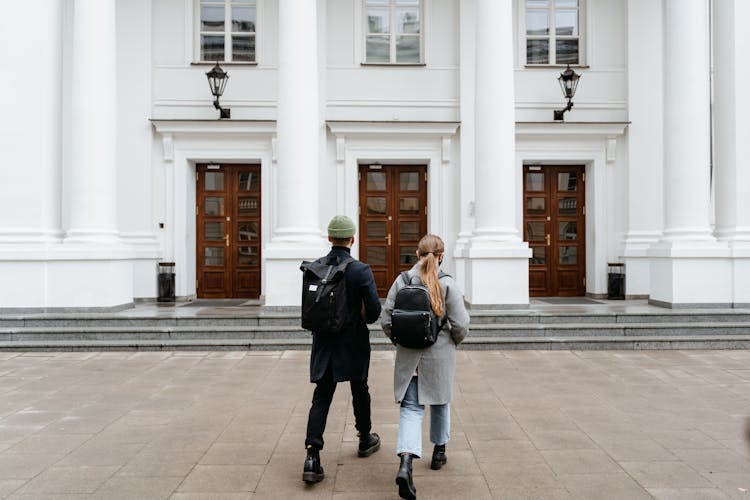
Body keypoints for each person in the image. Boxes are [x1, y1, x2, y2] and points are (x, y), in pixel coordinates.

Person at [381, 234, 470, 500]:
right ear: (441, 256)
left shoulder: (403, 280)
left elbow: (386, 319)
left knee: (411, 409)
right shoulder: (448, 284)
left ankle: (406, 462)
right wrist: (452, 342)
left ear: (417, 254)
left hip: (410, 356)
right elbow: (461, 325)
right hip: (439, 355)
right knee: (441, 401)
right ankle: (439, 450)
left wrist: (400, 340)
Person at [302, 215, 383, 484]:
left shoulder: (315, 267)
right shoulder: (360, 270)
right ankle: (364, 438)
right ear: (352, 239)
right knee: (360, 388)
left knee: (322, 396)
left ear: (329, 238)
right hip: (353, 341)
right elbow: (373, 313)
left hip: (324, 340)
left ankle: (312, 455)